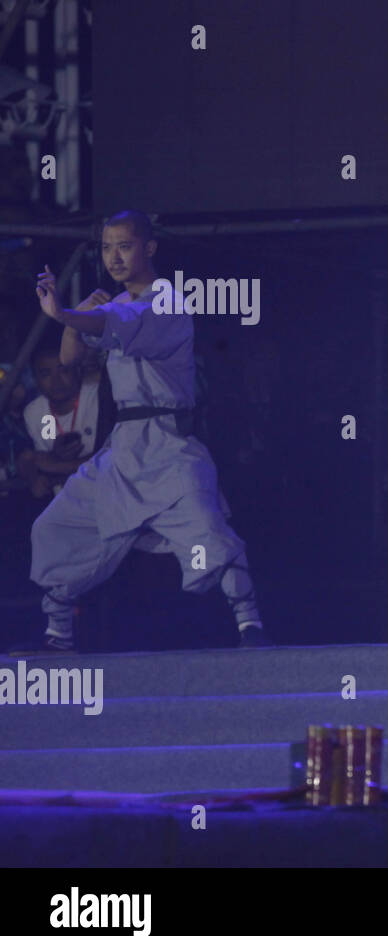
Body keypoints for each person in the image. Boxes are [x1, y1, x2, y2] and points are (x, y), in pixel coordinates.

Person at [9, 210, 266, 656]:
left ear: (149, 248)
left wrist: (66, 313)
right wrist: (72, 316)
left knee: (209, 529)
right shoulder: (117, 305)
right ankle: (57, 636)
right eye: (107, 247)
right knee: (55, 527)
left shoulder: (166, 301)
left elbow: (116, 327)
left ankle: (251, 627)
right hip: (123, 449)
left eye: (124, 246)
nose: (114, 256)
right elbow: (71, 359)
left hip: (168, 444)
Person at [17, 340, 102, 499]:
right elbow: (37, 460)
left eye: (63, 370)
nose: (56, 381)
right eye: (45, 374)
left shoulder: (98, 397)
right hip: (68, 502)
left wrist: (55, 465)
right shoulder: (35, 413)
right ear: (35, 379)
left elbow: (110, 457)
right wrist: (48, 463)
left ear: (77, 370)